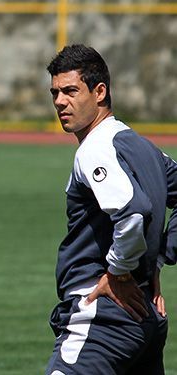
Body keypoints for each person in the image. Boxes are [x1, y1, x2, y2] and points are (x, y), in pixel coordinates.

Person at [45, 44, 177, 374]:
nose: (60, 101)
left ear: (100, 91)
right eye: (55, 93)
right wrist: (158, 259)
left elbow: (132, 212)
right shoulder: (143, 146)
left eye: (71, 91)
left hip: (104, 317)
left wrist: (118, 271)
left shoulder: (96, 149)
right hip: (144, 316)